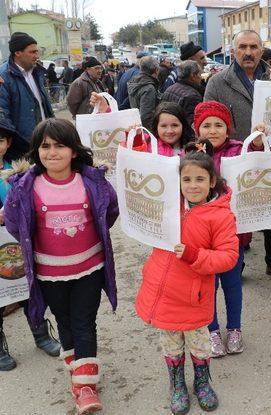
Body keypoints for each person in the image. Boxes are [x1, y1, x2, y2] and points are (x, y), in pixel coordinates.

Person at [4, 118, 119, 413]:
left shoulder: (91, 182)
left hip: (89, 270)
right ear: (36, 151)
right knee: (64, 322)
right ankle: (78, 370)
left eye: (60, 145)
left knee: (83, 322)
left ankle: (85, 387)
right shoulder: (26, 187)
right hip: (49, 273)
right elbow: (17, 225)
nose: (52, 153)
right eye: (45, 146)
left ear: (74, 150)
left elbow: (109, 211)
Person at [135, 141, 239, 414]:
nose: (193, 185)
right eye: (187, 179)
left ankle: (202, 382)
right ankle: (177, 383)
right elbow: (138, 175)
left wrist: (195, 255)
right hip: (164, 291)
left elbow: (228, 257)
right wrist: (132, 142)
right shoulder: (167, 204)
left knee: (199, 344)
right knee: (171, 344)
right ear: (177, 181)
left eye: (200, 179)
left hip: (194, 295)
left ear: (212, 181)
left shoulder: (221, 216)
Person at [191, 101, 264, 357]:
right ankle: (211, 330)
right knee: (208, 287)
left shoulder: (237, 150)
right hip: (201, 236)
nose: (212, 130)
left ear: (228, 129)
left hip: (232, 233)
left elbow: (256, 163)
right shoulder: (192, 154)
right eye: (206, 125)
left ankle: (235, 329)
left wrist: (256, 143)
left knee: (233, 285)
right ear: (196, 128)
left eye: (219, 125)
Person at [0, 118, 61, 372]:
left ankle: (40, 334)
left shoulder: (17, 171)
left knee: (28, 290)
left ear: (9, 142)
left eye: (0, 140)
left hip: (17, 243)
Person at [204, 30, 271, 141]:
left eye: (253, 47)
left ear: (261, 51)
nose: (248, 53)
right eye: (243, 47)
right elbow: (207, 124)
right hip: (235, 155)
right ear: (233, 52)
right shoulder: (216, 83)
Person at [0, 32, 54, 160]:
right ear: (17, 53)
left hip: (44, 141)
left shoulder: (37, 72)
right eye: (32, 52)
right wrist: (17, 145)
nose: (37, 56)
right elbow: (3, 118)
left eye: (37, 51)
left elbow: (44, 106)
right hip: (21, 150)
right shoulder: (4, 76)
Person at [162, 61, 205, 126]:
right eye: (199, 74)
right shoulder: (193, 96)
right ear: (193, 75)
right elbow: (192, 124)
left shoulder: (170, 88)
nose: (201, 78)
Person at [128, 56, 161, 130]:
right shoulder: (149, 88)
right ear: (156, 70)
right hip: (145, 130)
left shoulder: (134, 81)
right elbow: (146, 116)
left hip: (136, 124)